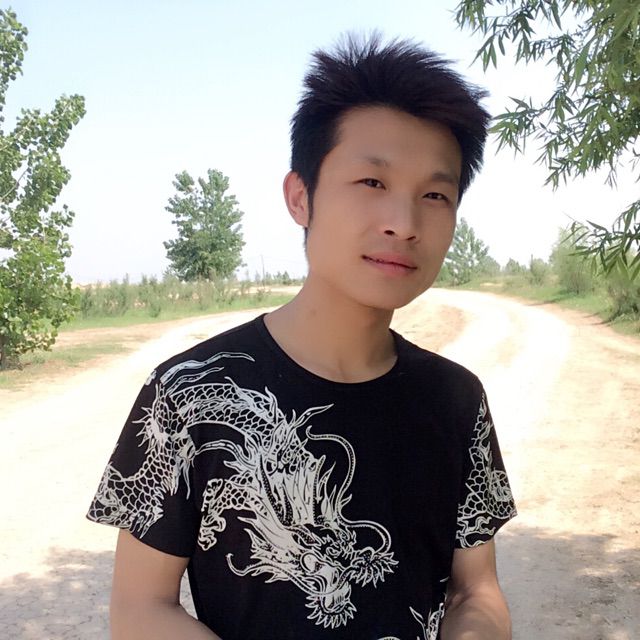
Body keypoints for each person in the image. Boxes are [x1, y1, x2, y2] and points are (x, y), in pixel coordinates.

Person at [87, 33, 517, 640]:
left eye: (435, 195)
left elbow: (476, 588)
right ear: (300, 197)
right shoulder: (185, 392)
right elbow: (139, 609)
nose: (404, 223)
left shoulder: (457, 400)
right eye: (372, 183)